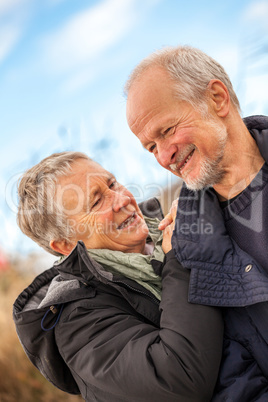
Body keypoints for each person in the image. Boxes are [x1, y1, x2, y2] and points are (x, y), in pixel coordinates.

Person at [13, 151, 223, 402]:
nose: (122, 199)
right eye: (96, 202)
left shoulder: (179, 228)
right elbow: (180, 381)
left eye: (112, 184)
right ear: (66, 245)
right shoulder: (80, 327)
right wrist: (179, 259)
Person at [125, 45, 268, 400]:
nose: (164, 156)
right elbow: (236, 384)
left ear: (217, 98)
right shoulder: (187, 254)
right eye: (150, 147)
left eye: (168, 130)